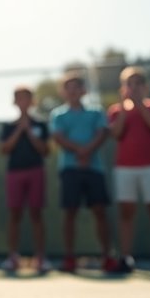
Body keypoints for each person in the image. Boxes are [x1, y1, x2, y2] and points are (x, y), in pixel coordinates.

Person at [107, 67, 150, 277]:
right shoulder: (116, 111)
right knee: (126, 213)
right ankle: (125, 258)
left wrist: (140, 106)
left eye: (138, 83)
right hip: (124, 168)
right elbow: (116, 133)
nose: (134, 87)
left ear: (146, 87)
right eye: (130, 84)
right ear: (123, 88)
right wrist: (125, 109)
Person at [49, 71, 120, 273]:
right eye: (68, 88)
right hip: (69, 169)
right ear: (64, 92)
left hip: (94, 168)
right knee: (69, 212)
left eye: (76, 87)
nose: (72, 92)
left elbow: (102, 133)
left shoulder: (96, 112)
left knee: (100, 211)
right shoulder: (58, 115)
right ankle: (70, 258)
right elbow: (58, 137)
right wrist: (80, 151)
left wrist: (86, 151)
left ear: (83, 90)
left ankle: (107, 257)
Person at [0, 86, 51, 275]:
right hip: (14, 173)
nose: (22, 102)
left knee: (36, 214)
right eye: (18, 98)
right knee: (14, 215)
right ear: (14, 102)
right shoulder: (8, 127)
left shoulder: (41, 125)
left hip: (36, 171)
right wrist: (19, 130)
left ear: (32, 101)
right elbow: (4, 149)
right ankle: (13, 257)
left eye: (26, 98)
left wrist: (28, 130)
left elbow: (45, 150)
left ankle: (41, 257)